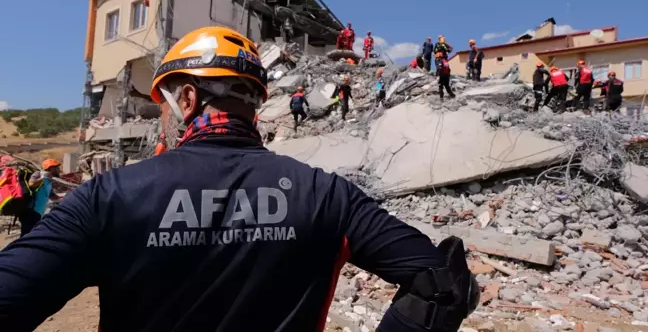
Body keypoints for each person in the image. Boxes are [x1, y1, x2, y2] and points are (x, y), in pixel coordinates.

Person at [0, 27, 479, 332]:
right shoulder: (326, 194)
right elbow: (446, 284)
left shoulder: (110, 196)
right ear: (254, 103)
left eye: (164, 101)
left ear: (187, 99)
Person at [19, 159, 62, 237]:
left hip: (38, 213)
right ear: (51, 168)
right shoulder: (38, 174)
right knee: (26, 236)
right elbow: (31, 184)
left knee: (32, 235)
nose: (59, 170)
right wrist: (43, 178)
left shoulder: (49, 181)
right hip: (30, 211)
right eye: (57, 168)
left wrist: (67, 197)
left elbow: (52, 196)